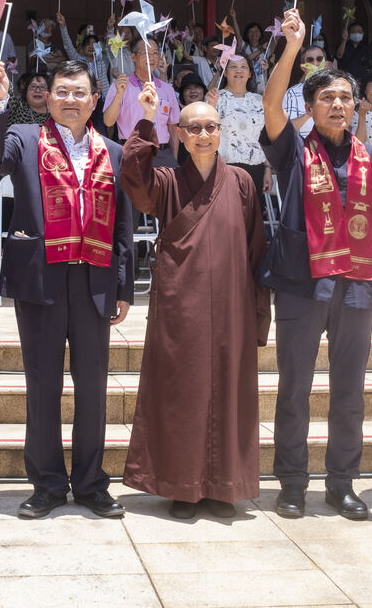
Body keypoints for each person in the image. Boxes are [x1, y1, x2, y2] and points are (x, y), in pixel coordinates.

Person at [0, 59, 135, 520]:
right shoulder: (25, 138)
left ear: (94, 100)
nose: (69, 99)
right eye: (61, 91)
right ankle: (46, 483)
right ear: (48, 97)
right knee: (42, 383)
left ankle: (90, 483)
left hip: (93, 280)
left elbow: (123, 224)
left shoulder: (113, 151)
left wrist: (124, 287)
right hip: (41, 278)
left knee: (93, 386)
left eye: (79, 92)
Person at [261, 9, 372, 521]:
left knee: (349, 391)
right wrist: (292, 47)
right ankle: (292, 483)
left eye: (345, 97)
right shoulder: (292, 151)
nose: (338, 104)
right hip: (302, 284)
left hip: (357, 286)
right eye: (327, 97)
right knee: (294, 388)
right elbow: (270, 103)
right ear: (310, 106)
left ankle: (342, 483)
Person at [120, 85, 269, 519]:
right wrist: (147, 120)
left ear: (220, 132)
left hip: (231, 305)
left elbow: (256, 247)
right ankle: (181, 488)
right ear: (180, 135)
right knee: (180, 391)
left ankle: (224, 488)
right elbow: (134, 178)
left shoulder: (241, 181)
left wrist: (257, 310)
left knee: (229, 392)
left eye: (211, 127)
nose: (204, 135)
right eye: (194, 128)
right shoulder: (167, 181)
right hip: (181, 304)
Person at [103, 37, 180, 160]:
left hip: (163, 153)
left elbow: (172, 128)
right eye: (146, 53)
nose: (151, 58)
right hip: (132, 152)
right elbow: (108, 122)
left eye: (155, 53)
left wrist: (174, 159)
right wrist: (118, 95)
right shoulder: (120, 86)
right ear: (133, 57)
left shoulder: (167, 89)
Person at [211, 54, 270, 202]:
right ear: (225, 72)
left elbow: (266, 137)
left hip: (255, 168)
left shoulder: (259, 101)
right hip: (224, 168)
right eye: (233, 67)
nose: (239, 71)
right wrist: (211, 105)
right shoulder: (215, 99)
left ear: (250, 73)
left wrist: (268, 169)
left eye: (243, 67)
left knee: (251, 213)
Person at [282, 44, 327, 139]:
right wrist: (308, 114)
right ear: (303, 67)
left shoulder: (336, 90)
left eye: (319, 59)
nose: (315, 63)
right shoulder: (292, 93)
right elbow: (287, 130)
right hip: (304, 146)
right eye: (310, 60)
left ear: (326, 64)